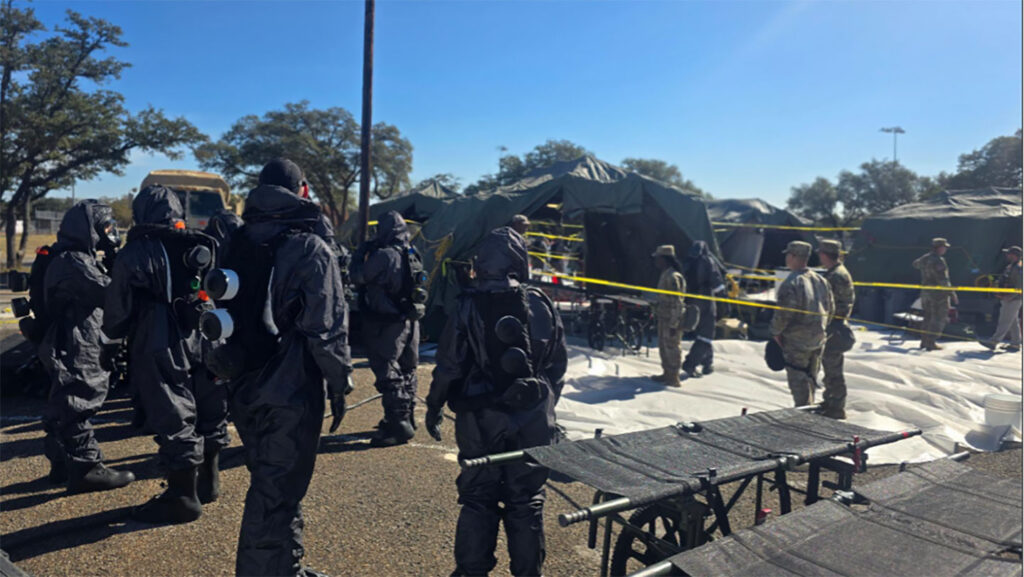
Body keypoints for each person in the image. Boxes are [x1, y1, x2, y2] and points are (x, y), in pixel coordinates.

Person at [213, 158, 353, 577]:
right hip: (290, 386)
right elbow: (325, 327)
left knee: (275, 481)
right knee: (275, 492)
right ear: (300, 191)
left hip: (241, 380)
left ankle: (284, 566)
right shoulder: (308, 246)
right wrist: (340, 381)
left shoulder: (234, 238)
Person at [424, 226, 567, 577]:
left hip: (480, 417)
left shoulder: (467, 305)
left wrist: (434, 404)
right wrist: (546, 407)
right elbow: (557, 363)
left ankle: (471, 571)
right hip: (532, 417)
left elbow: (449, 365)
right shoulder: (541, 301)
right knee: (527, 502)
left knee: (478, 498)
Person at [103, 185, 226, 523]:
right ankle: (208, 482)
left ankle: (182, 497)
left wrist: (111, 337)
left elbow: (117, 309)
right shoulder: (200, 244)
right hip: (205, 325)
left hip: (160, 333)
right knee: (209, 400)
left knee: (173, 408)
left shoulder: (135, 252)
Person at [39, 200, 135, 493]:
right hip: (74, 339)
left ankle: (62, 464)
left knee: (63, 401)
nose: (110, 232)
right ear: (89, 229)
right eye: (105, 227)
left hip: (70, 336)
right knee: (79, 397)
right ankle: (86, 466)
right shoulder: (74, 262)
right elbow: (109, 294)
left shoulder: (74, 257)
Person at [350, 210, 422, 447]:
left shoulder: (384, 255)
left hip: (386, 321)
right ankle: (407, 415)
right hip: (410, 321)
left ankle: (397, 424)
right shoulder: (412, 252)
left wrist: (360, 254)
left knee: (387, 370)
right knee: (407, 369)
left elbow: (359, 277)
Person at [770, 241, 834, 407]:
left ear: (793, 256)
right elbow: (831, 309)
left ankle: (803, 421)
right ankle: (809, 411)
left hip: (797, 343)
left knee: (799, 385)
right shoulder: (821, 280)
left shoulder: (791, 283)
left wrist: (775, 333)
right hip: (818, 339)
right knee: (811, 380)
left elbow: (784, 314)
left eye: (788, 255)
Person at [817, 239, 855, 419]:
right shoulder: (836, 272)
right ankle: (830, 400)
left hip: (834, 327)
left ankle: (837, 406)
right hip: (835, 325)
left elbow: (831, 305)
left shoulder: (835, 276)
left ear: (825, 255)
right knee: (830, 366)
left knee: (833, 368)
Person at [681, 241, 726, 378]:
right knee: (707, 334)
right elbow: (717, 282)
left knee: (702, 333)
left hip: (691, 301)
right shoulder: (708, 261)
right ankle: (690, 363)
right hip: (706, 300)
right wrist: (725, 302)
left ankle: (707, 363)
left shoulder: (687, 262)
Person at [650, 245, 686, 388]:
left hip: (672, 318)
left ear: (665, 259)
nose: (656, 262)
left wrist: (674, 323)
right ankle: (667, 372)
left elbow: (677, 302)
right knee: (663, 346)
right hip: (664, 316)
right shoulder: (665, 274)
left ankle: (674, 376)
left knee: (672, 346)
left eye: (658, 259)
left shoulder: (673, 277)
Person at [912, 238, 958, 351]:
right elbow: (943, 280)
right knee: (938, 317)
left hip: (926, 293)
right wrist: (952, 294)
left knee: (927, 317)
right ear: (939, 248)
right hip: (938, 295)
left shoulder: (925, 258)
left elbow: (915, 264)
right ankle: (931, 342)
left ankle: (924, 341)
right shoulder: (938, 261)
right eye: (944, 247)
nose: (945, 249)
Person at [981, 246, 1023, 352]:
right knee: (1013, 322)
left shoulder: (1019, 268)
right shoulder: (1010, 266)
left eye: (1009, 253)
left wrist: (1010, 296)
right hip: (1007, 297)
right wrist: (998, 290)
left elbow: (1020, 285)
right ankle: (1016, 344)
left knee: (1004, 321)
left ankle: (993, 342)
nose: (1007, 255)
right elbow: (1004, 280)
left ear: (1014, 255)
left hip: (1014, 299)